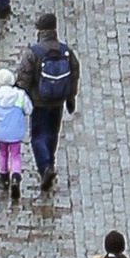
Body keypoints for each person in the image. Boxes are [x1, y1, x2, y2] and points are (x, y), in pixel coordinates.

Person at [16, 15, 78, 193]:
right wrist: (71, 97)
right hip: (58, 101)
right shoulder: (65, 51)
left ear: (40, 31)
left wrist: (21, 100)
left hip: (39, 103)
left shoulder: (33, 53)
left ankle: (45, 167)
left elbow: (24, 78)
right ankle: (50, 162)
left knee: (38, 136)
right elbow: (74, 73)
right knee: (52, 133)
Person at [0, 62, 32, 207]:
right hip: (16, 132)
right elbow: (29, 109)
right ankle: (16, 176)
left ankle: (3, 177)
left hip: (1, 132)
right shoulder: (19, 95)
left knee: (2, 154)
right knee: (15, 155)